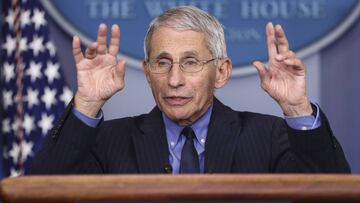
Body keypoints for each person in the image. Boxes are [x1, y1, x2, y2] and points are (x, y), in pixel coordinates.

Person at [31, 6, 350, 174]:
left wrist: (297, 108)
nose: (174, 80)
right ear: (147, 72)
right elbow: (40, 193)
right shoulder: (107, 142)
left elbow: (334, 192)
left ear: (221, 72)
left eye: (191, 62)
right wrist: (87, 102)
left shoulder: (270, 136)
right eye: (162, 63)